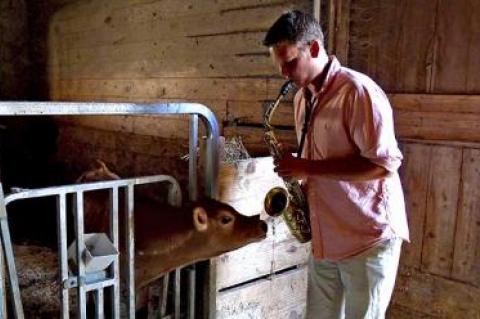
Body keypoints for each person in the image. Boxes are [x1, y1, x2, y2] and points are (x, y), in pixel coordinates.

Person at [263, 10, 409, 319]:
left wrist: (309, 169)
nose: (284, 74)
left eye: (290, 62)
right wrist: (298, 173)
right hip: (326, 235)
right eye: (279, 66)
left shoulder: (358, 91)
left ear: (314, 48)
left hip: (366, 237)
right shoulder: (303, 98)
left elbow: (384, 165)